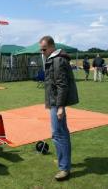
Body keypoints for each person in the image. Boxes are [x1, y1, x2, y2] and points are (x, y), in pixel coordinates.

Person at [39, 36, 79, 181]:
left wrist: (61, 107)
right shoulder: (54, 58)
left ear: (51, 47)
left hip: (57, 103)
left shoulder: (58, 60)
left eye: (44, 49)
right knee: (62, 133)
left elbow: (62, 85)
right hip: (55, 102)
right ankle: (64, 163)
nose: (42, 52)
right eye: (41, 49)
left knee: (58, 134)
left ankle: (64, 169)